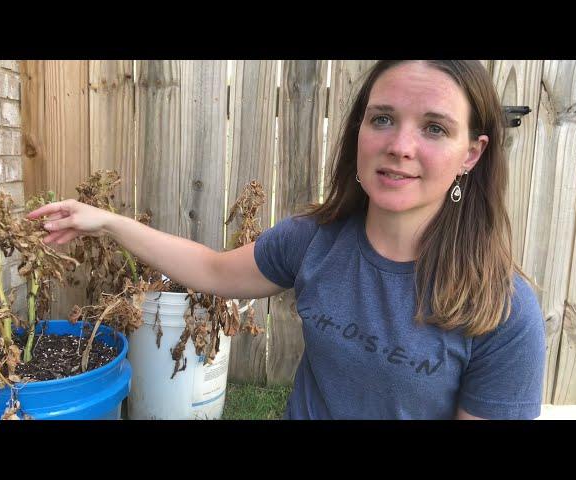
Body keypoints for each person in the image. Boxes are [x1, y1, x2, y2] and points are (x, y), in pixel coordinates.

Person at [28, 60, 546, 420]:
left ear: (471, 155)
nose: (400, 146)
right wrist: (109, 222)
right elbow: (212, 271)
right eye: (383, 119)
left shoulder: (501, 310)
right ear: (359, 131)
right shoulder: (313, 241)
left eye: (434, 128)